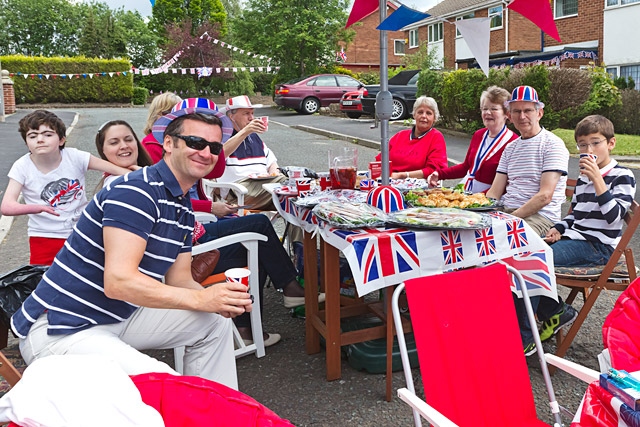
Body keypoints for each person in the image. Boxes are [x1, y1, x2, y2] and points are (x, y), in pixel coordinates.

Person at [10, 105, 252, 390]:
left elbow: (181, 280)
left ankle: (216, 413)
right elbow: (119, 282)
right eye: (196, 142)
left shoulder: (182, 204)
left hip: (118, 315)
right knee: (165, 385)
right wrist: (203, 300)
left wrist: (216, 300)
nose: (206, 152)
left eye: (214, 146)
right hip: (61, 327)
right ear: (169, 144)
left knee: (214, 324)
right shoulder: (136, 190)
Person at [486, 85, 572, 356]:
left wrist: (508, 219)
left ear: (540, 112)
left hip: (539, 217)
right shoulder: (511, 149)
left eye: (528, 110)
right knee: (472, 242)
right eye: (517, 111)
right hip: (509, 212)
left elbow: (545, 196)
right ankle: (553, 309)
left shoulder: (553, 144)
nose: (523, 116)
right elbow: (493, 192)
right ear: (509, 116)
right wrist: (478, 210)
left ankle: (525, 334)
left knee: (511, 248)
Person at [539, 115, 636, 337]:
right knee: (524, 253)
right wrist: (559, 228)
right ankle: (548, 313)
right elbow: (576, 216)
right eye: (583, 144)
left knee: (536, 261)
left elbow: (613, 218)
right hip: (576, 238)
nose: (588, 148)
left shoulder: (623, 176)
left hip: (599, 247)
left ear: (610, 143)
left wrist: (597, 180)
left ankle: (549, 316)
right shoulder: (583, 178)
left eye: (595, 142)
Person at [0, 110, 135, 266]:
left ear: (62, 139)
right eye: (32, 136)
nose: (40, 139)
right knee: (46, 282)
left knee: (87, 276)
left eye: (48, 134)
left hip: (82, 231)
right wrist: (37, 208)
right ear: (26, 143)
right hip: (44, 236)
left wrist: (141, 174)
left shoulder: (75, 157)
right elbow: (7, 206)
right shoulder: (22, 166)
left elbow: (115, 169)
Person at [427, 86, 518, 192]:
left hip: (489, 199)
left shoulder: (513, 142)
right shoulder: (479, 135)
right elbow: (466, 167)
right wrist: (439, 174)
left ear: (506, 114)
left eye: (494, 109)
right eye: (485, 109)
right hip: (466, 191)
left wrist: (478, 199)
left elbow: (508, 184)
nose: (488, 112)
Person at [218, 95, 287, 210]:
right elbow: (219, 156)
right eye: (246, 113)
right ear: (231, 117)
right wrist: (245, 132)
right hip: (237, 191)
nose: (251, 118)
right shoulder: (222, 135)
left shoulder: (254, 137)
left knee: (295, 202)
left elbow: (272, 162)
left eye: (252, 113)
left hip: (262, 188)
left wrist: (275, 172)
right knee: (288, 186)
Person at [375, 96, 448, 180]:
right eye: (420, 112)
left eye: (429, 113)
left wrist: (402, 175)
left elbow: (434, 170)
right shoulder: (400, 135)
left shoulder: (436, 137)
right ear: (414, 115)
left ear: (434, 118)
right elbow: (380, 160)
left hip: (418, 187)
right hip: (389, 182)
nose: (424, 116)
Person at [95, 120, 153, 188]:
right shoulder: (116, 185)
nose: (124, 146)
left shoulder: (150, 171)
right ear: (102, 150)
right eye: (114, 143)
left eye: (128, 140)